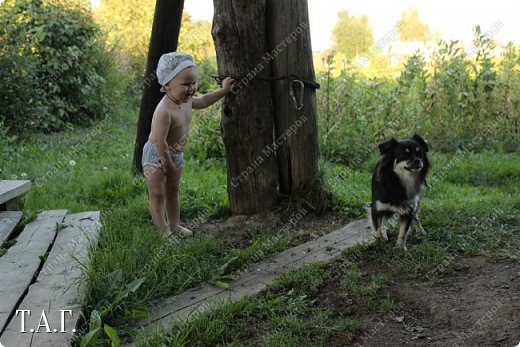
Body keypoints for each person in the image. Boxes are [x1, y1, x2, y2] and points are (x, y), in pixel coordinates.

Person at [142, 52, 234, 238]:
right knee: (158, 193)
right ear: (167, 84)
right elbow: (160, 141)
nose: (191, 88)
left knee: (173, 191)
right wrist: (166, 163)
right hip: (157, 155)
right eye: (185, 84)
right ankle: (164, 232)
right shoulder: (164, 110)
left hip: (175, 154)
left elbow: (204, 100)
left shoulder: (186, 101)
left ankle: (174, 225)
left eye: (193, 83)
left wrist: (223, 91)